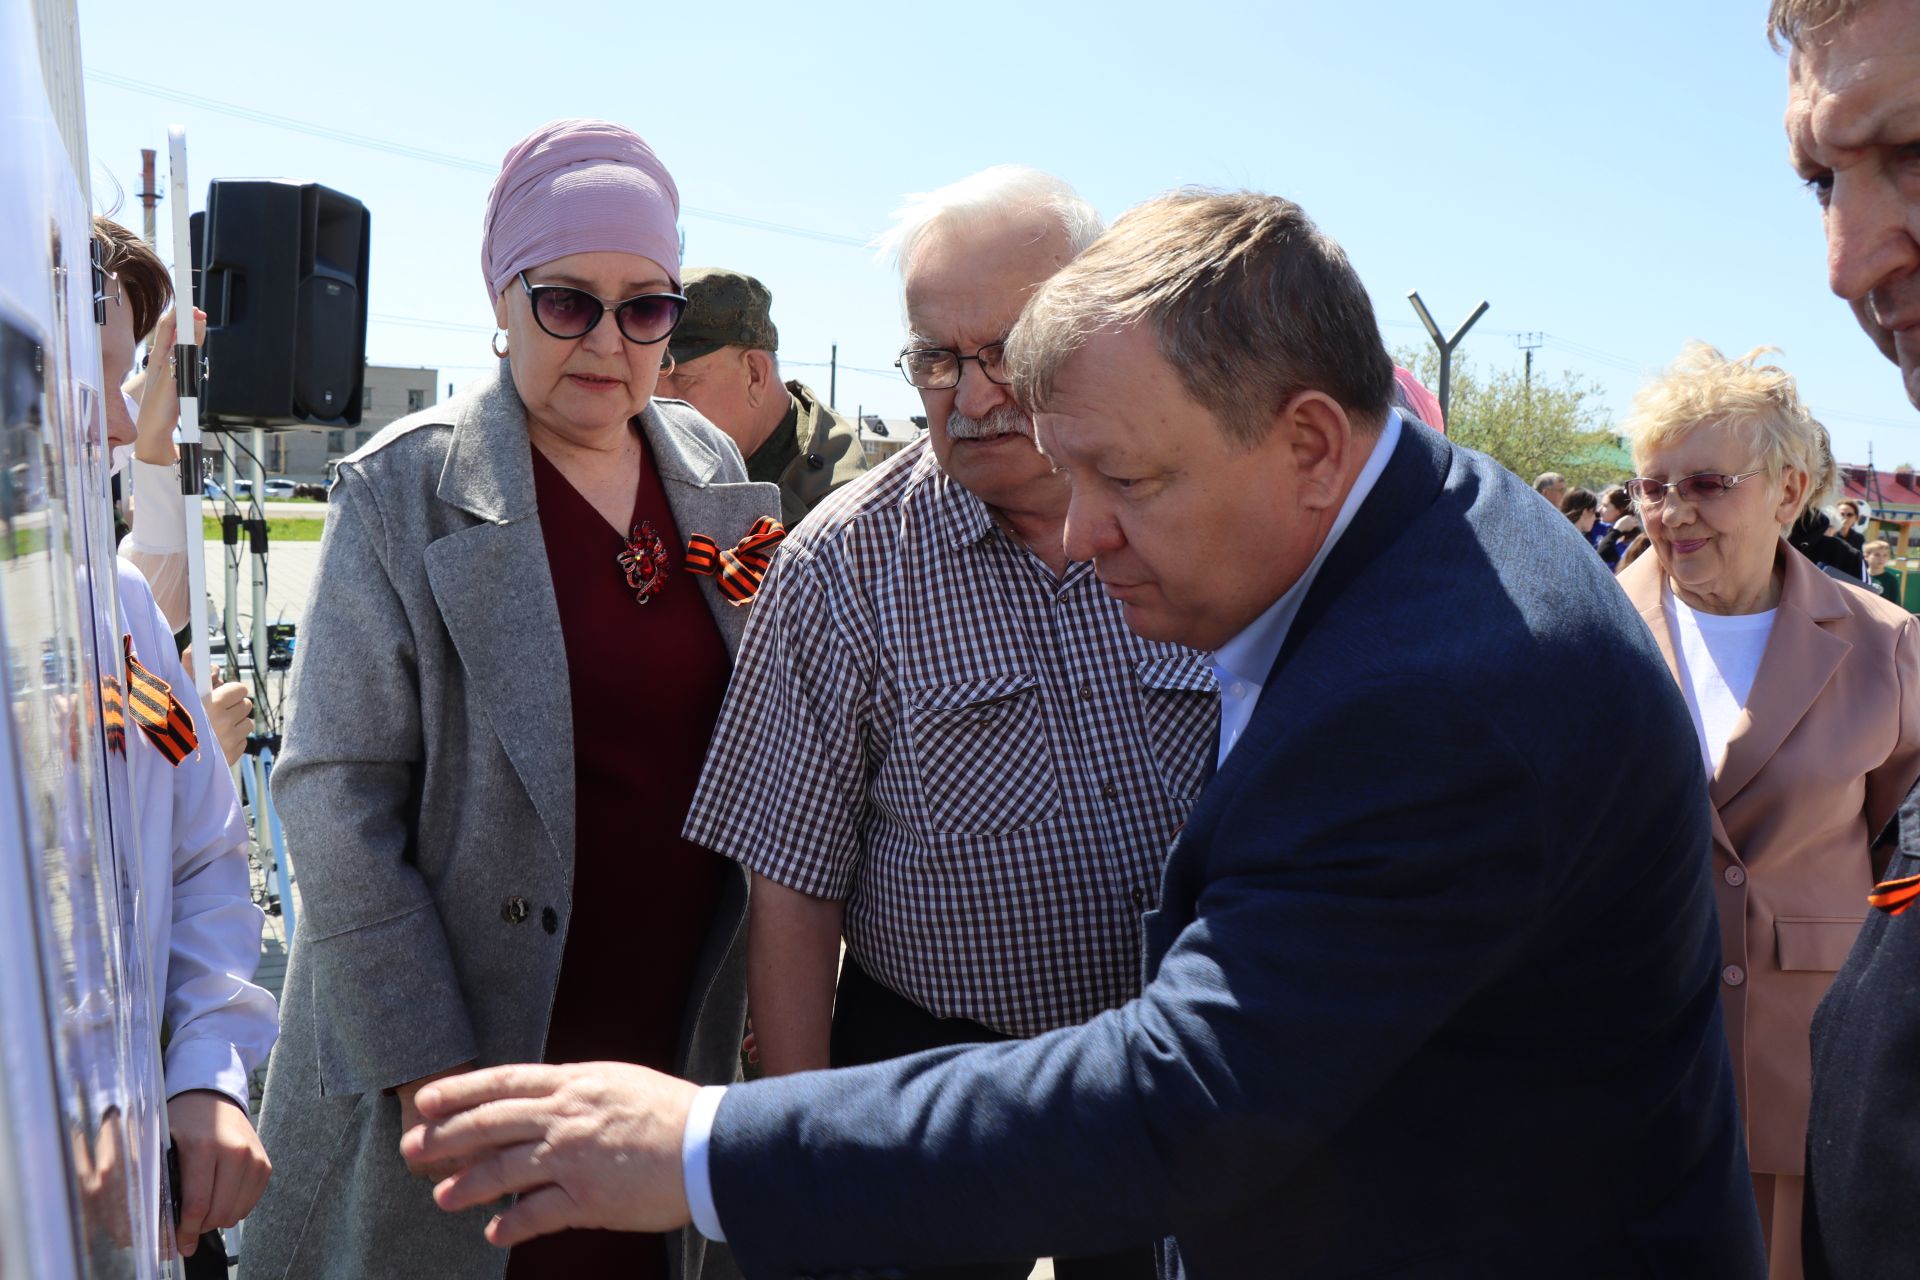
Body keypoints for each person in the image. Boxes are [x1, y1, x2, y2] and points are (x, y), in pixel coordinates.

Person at [404, 190, 1762, 1279]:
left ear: (1306, 442)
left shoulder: (1439, 691)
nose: (1086, 530)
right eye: (942, 361)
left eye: (1124, 478)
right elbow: (793, 887)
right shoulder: (1416, 534)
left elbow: (1187, 1100)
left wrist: (710, 1143)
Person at [239, 119, 780, 1280]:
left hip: (660, 1047)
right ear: (503, 293)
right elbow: (333, 799)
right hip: (467, 1067)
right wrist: (435, 1074)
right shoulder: (402, 490)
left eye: (646, 306)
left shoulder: (712, 475)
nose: (608, 340)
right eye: (568, 301)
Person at [678, 166, 1212, 1280]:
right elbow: (789, 897)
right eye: (935, 358)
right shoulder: (840, 569)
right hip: (933, 1079)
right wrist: (802, 1163)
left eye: (1005, 353)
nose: (968, 397)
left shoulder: (1196, 520)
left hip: (1177, 1069)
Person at [1614, 343, 1920, 1280]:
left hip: (1811, 1067)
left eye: (1708, 482)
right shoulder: (1582, 629)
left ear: (1789, 491)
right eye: (1651, 485)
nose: (1673, 511)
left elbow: (1903, 850)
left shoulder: (1887, 647)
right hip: (1625, 1065)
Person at [92, 216, 280, 1267]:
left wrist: (204, 1067)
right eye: (104, 380)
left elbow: (206, 847)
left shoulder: (119, 618)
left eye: (132, 380)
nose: (122, 427)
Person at [1781, 1, 1920, 1271]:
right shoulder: (1612, 628)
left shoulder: (1882, 636)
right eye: (1824, 178)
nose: (1849, 258)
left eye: (1916, 150)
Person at [92, 217, 253, 768]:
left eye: (121, 380)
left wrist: (184, 723)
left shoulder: (107, 589)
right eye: (90, 379)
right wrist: (195, 747)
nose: (123, 425)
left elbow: (130, 690)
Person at [656, 266, 866, 525]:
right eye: (650, 380)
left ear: (754, 375)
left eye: (682, 378)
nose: (657, 402)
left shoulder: (841, 516)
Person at [1561, 486, 1618, 565]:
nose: (1595, 517)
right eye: (1594, 512)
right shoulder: (1572, 544)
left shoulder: (1560, 536)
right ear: (1585, 512)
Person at [1864, 538, 1904, 605]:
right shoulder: (1860, 576)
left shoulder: (1891, 580)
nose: (1881, 559)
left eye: (1885, 555)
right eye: (1877, 555)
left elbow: (1896, 605)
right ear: (1866, 556)